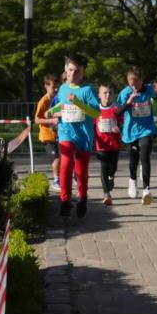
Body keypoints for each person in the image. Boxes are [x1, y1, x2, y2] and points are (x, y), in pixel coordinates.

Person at [46, 53, 100, 218]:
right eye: (70, 70)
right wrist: (52, 111)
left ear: (83, 72)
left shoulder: (88, 90)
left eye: (77, 71)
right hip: (66, 133)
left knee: (81, 170)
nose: (72, 74)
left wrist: (78, 102)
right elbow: (62, 105)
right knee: (66, 164)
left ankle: (82, 198)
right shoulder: (62, 88)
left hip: (83, 136)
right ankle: (65, 201)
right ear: (65, 70)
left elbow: (95, 113)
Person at [118, 67, 157, 205]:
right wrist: (129, 101)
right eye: (131, 82)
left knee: (145, 155)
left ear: (142, 80)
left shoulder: (149, 90)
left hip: (146, 128)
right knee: (133, 159)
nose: (134, 85)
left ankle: (146, 190)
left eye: (136, 82)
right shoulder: (125, 93)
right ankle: (132, 180)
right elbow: (118, 112)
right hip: (131, 131)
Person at [94, 84, 124, 206]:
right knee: (103, 168)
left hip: (114, 144)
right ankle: (107, 194)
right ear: (99, 95)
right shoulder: (95, 110)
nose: (108, 95)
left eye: (110, 93)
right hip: (101, 145)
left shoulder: (116, 108)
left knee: (113, 168)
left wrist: (119, 128)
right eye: (105, 93)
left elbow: (123, 122)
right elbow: (91, 124)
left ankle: (111, 177)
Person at [34, 73, 61, 191]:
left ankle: (64, 178)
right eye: (53, 87)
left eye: (57, 87)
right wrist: (51, 120)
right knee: (56, 159)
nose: (55, 89)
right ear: (46, 86)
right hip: (47, 136)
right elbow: (36, 119)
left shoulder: (59, 99)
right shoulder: (43, 101)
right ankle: (56, 180)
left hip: (58, 135)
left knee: (63, 158)